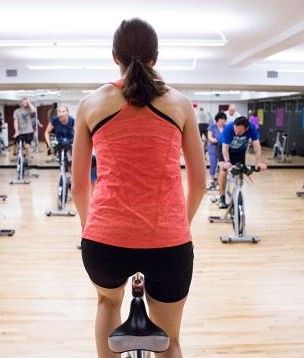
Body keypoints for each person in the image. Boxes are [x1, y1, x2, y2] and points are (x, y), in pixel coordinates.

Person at [72, 18, 206, 358]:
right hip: (169, 244)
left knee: (107, 302)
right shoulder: (180, 104)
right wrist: (179, 226)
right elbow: (200, 183)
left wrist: (91, 231)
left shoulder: (91, 104)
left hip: (105, 241)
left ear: (114, 56)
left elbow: (78, 187)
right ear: (155, 58)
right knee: (170, 340)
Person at [217, 116, 266, 208]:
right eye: (235, 130)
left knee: (241, 171)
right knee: (224, 169)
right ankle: (222, 196)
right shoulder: (228, 128)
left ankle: (236, 195)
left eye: (239, 132)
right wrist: (227, 162)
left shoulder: (251, 128)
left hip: (239, 149)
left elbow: (257, 146)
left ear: (246, 129)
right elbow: (225, 149)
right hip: (224, 147)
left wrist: (258, 162)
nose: (236, 133)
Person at [207, 112, 227, 189]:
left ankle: (219, 179)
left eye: (224, 120)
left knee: (221, 165)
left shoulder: (226, 127)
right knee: (214, 164)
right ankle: (211, 180)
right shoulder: (212, 127)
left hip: (223, 148)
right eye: (221, 119)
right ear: (217, 120)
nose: (223, 121)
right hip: (213, 148)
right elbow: (209, 136)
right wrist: (213, 139)